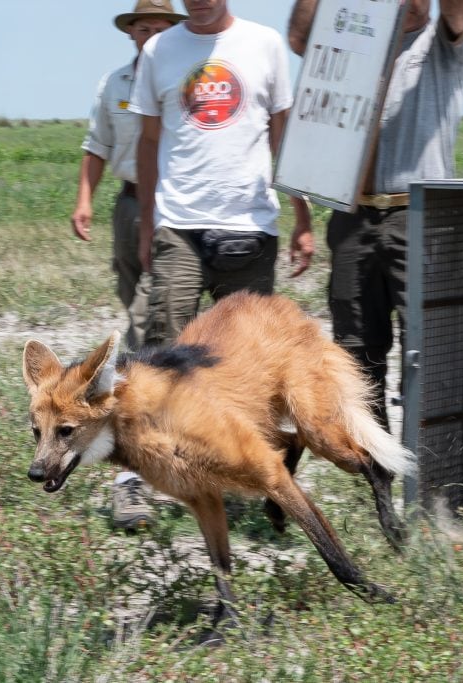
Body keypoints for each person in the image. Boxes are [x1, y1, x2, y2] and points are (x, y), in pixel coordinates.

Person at [287, 0, 463, 429]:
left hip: (419, 215)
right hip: (354, 217)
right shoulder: (355, 41)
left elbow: (456, 12)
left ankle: (428, 462)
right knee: (355, 347)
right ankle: (376, 461)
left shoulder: (442, 42)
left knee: (426, 343)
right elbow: (300, 38)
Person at [128, 0, 314, 347]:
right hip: (178, 227)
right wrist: (146, 227)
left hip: (249, 225)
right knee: (165, 357)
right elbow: (149, 141)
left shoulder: (265, 43)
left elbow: (282, 140)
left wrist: (302, 219)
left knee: (250, 358)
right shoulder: (159, 50)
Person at [71, 0, 187, 530]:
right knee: (138, 312)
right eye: (142, 26)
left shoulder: (192, 77)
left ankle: (142, 465)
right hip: (132, 202)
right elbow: (97, 144)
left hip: (184, 209)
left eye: (160, 26)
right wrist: (85, 199)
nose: (150, 34)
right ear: (131, 33)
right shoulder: (113, 82)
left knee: (154, 326)